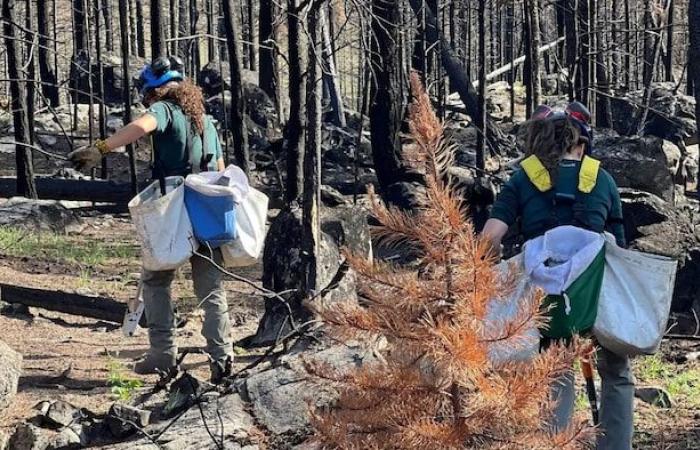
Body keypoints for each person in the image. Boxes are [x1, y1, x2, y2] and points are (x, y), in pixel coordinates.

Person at [68, 56, 234, 383]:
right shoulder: (207, 121)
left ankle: (162, 355)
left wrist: (100, 148)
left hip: (172, 209)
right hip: (208, 209)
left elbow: (142, 126)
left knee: (157, 279)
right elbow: (220, 169)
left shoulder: (164, 109)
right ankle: (222, 358)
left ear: (152, 89)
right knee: (210, 287)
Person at [481, 111, 634, 450]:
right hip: (596, 292)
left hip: (550, 295)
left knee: (556, 371)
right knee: (616, 371)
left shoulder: (522, 180)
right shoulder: (603, 179)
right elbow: (619, 248)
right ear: (581, 144)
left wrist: (493, 282)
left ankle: (558, 443)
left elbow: (490, 237)